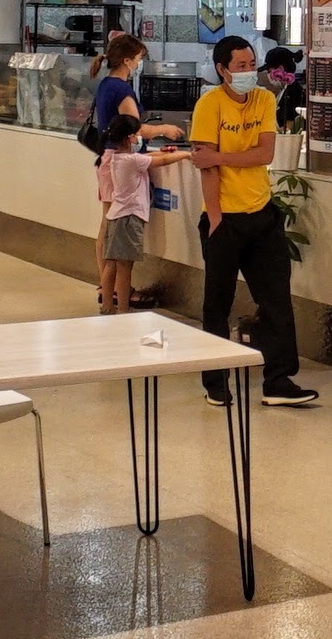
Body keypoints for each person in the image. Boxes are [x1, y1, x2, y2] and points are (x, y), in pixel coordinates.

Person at [189, 35, 317, 407]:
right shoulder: (208, 105)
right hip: (222, 219)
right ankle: (215, 382)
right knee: (217, 302)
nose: (248, 71)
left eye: (251, 64)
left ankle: (278, 381)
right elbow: (204, 168)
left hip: (262, 214)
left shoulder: (263, 98)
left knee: (276, 299)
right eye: (240, 66)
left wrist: (218, 157)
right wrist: (214, 217)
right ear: (222, 70)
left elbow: (264, 153)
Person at [95, 115, 188, 315]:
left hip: (115, 216)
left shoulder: (117, 158)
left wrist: (168, 152)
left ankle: (107, 305)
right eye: (137, 135)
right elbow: (161, 161)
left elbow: (151, 158)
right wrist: (186, 155)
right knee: (125, 267)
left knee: (111, 264)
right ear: (129, 138)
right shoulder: (131, 160)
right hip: (128, 219)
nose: (139, 138)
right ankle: (123, 308)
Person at [263, 47, 306, 128]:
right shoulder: (285, 90)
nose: (268, 75)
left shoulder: (292, 93)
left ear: (280, 69)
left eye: (269, 71)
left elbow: (289, 125)